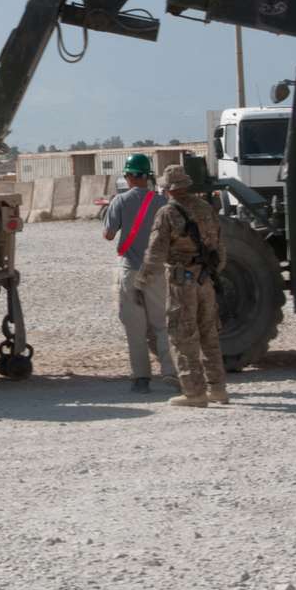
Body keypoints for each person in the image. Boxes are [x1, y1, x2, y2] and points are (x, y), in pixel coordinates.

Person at [136, 164, 227, 408]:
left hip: (181, 280)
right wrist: (210, 272)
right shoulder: (206, 208)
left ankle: (193, 392)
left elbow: (156, 252)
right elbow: (220, 247)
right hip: (205, 278)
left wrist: (141, 281)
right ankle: (217, 388)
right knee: (209, 333)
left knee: (182, 335)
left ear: (167, 189)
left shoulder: (167, 213)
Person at [103, 154, 176, 393]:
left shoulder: (120, 201)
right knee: (162, 325)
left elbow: (109, 235)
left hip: (129, 271)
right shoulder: (161, 202)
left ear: (128, 176)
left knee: (135, 328)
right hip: (155, 270)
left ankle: (141, 379)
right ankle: (171, 372)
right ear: (148, 176)